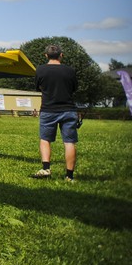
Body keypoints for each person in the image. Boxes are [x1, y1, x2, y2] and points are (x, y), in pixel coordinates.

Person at [32, 44, 79, 181]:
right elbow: (74, 88)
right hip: (68, 109)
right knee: (69, 142)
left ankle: (46, 168)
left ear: (46, 55)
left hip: (48, 109)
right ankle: (69, 176)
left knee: (45, 139)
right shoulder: (70, 71)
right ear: (61, 55)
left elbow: (37, 88)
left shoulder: (40, 70)